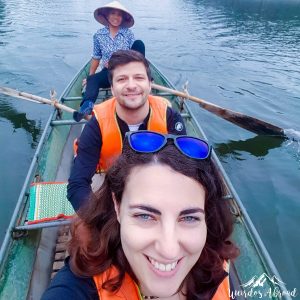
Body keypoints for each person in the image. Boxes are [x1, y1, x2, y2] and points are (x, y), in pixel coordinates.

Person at [42, 131, 239, 300]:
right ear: (117, 207)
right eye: (145, 216)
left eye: (189, 218)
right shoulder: (77, 289)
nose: (169, 250)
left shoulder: (217, 269)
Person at [67, 50, 186, 211]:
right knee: (83, 231)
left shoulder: (170, 117)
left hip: (154, 178)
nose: (131, 85)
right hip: (106, 179)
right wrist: (104, 221)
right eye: (122, 79)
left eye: (139, 78)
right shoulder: (97, 125)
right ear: (113, 88)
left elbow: (181, 171)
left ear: (150, 85)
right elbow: (77, 185)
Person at [73, 0, 145, 122]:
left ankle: (143, 77)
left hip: (126, 72)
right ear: (107, 15)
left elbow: (135, 54)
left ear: (122, 18)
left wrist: (116, 61)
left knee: (139, 44)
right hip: (109, 73)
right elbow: (96, 57)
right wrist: (90, 77)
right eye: (113, 13)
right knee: (93, 79)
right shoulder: (98, 35)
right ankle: (87, 106)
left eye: (119, 15)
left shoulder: (128, 34)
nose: (116, 17)